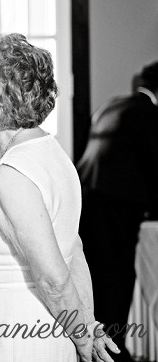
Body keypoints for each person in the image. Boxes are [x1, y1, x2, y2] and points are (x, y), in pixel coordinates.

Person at [0, 33, 120, 361]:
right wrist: (85, 323)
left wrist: (84, 339)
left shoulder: (14, 174)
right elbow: (74, 250)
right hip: (36, 325)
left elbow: (54, 276)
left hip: (17, 333)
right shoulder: (50, 152)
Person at [76, 61, 158, 362]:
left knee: (95, 279)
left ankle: (97, 350)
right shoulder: (149, 114)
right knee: (116, 282)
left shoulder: (112, 105)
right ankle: (113, 351)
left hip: (86, 202)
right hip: (115, 209)